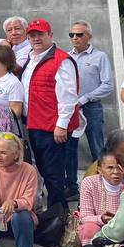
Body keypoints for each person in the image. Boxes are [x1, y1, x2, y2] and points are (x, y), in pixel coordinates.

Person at [21, 18, 79, 209]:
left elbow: (69, 96)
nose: (36, 38)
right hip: (35, 124)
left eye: (40, 34)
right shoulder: (29, 58)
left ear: (50, 36)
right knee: (46, 172)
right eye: (32, 35)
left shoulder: (61, 60)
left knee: (53, 175)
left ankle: (59, 218)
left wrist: (61, 125)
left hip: (51, 127)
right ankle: (54, 214)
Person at [65, 21, 114, 202]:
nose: (75, 38)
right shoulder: (66, 57)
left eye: (79, 34)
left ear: (89, 37)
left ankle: (104, 185)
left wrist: (85, 98)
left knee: (97, 147)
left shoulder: (99, 57)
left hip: (91, 107)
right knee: (69, 149)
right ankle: (71, 187)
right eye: (72, 35)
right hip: (71, 109)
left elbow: (107, 85)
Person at [77, 151, 124, 245]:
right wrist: (102, 219)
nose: (116, 172)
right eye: (110, 168)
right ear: (100, 170)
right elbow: (84, 217)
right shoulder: (90, 182)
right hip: (99, 225)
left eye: (119, 167)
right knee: (88, 229)